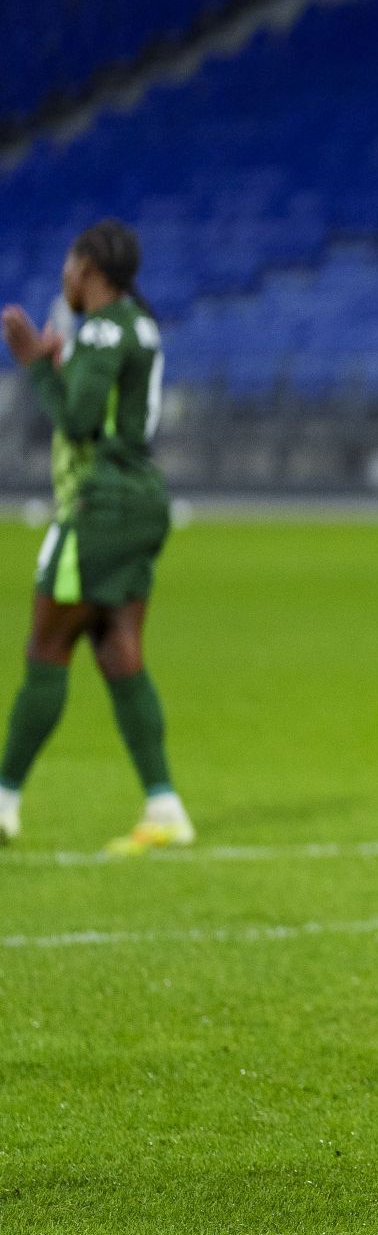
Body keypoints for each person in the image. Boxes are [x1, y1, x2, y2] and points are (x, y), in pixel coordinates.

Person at [0, 220, 190, 855]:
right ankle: (164, 805)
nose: (64, 277)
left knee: (47, 645)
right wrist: (63, 364)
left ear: (88, 270)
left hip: (99, 503)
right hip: (143, 502)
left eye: (69, 265)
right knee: (118, 649)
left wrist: (36, 366)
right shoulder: (139, 324)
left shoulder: (104, 329)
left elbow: (79, 421)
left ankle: (4, 801)